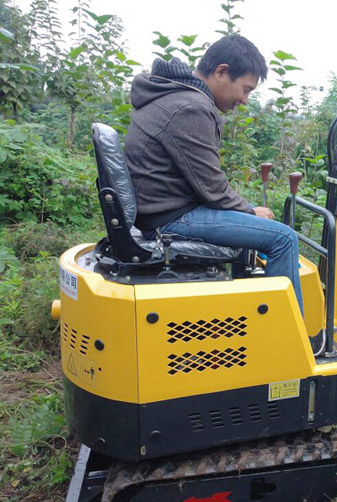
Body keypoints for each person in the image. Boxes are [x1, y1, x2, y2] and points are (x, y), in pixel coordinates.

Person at [124, 35, 303, 314]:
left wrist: (246, 211)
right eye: (245, 89)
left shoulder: (171, 96)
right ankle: (291, 344)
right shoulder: (191, 107)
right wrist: (250, 211)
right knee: (283, 238)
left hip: (159, 209)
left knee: (258, 231)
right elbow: (212, 188)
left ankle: (248, 317)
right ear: (221, 72)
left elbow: (205, 181)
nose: (244, 100)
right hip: (170, 218)